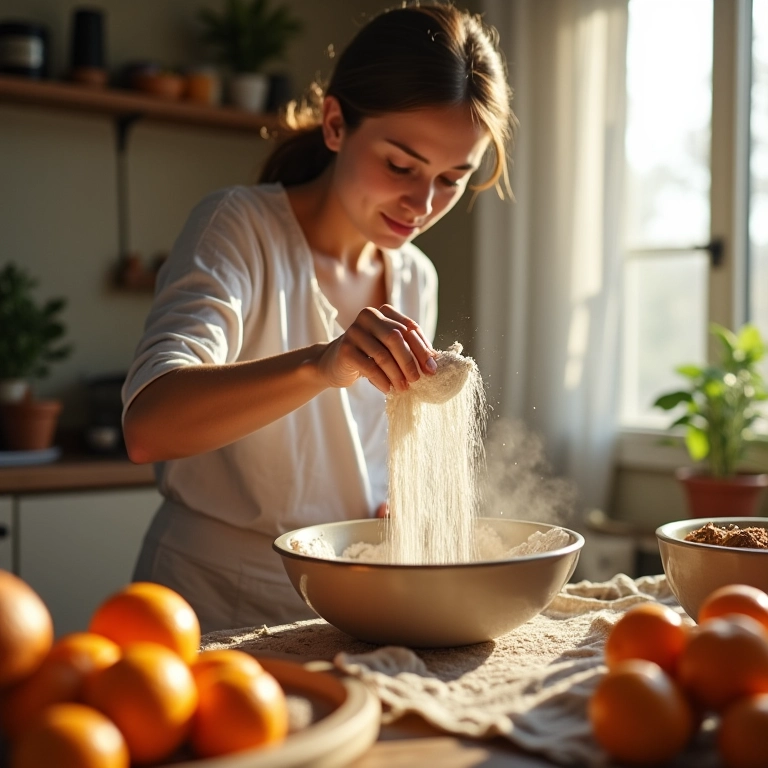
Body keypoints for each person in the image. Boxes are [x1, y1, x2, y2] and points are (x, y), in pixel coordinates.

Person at [122, 1, 514, 633]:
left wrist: (391, 508)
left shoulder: (415, 276)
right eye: (400, 165)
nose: (421, 203)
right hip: (209, 602)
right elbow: (148, 427)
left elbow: (361, 457)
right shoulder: (238, 229)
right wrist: (321, 364)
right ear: (335, 124)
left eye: (452, 178)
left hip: (349, 601)